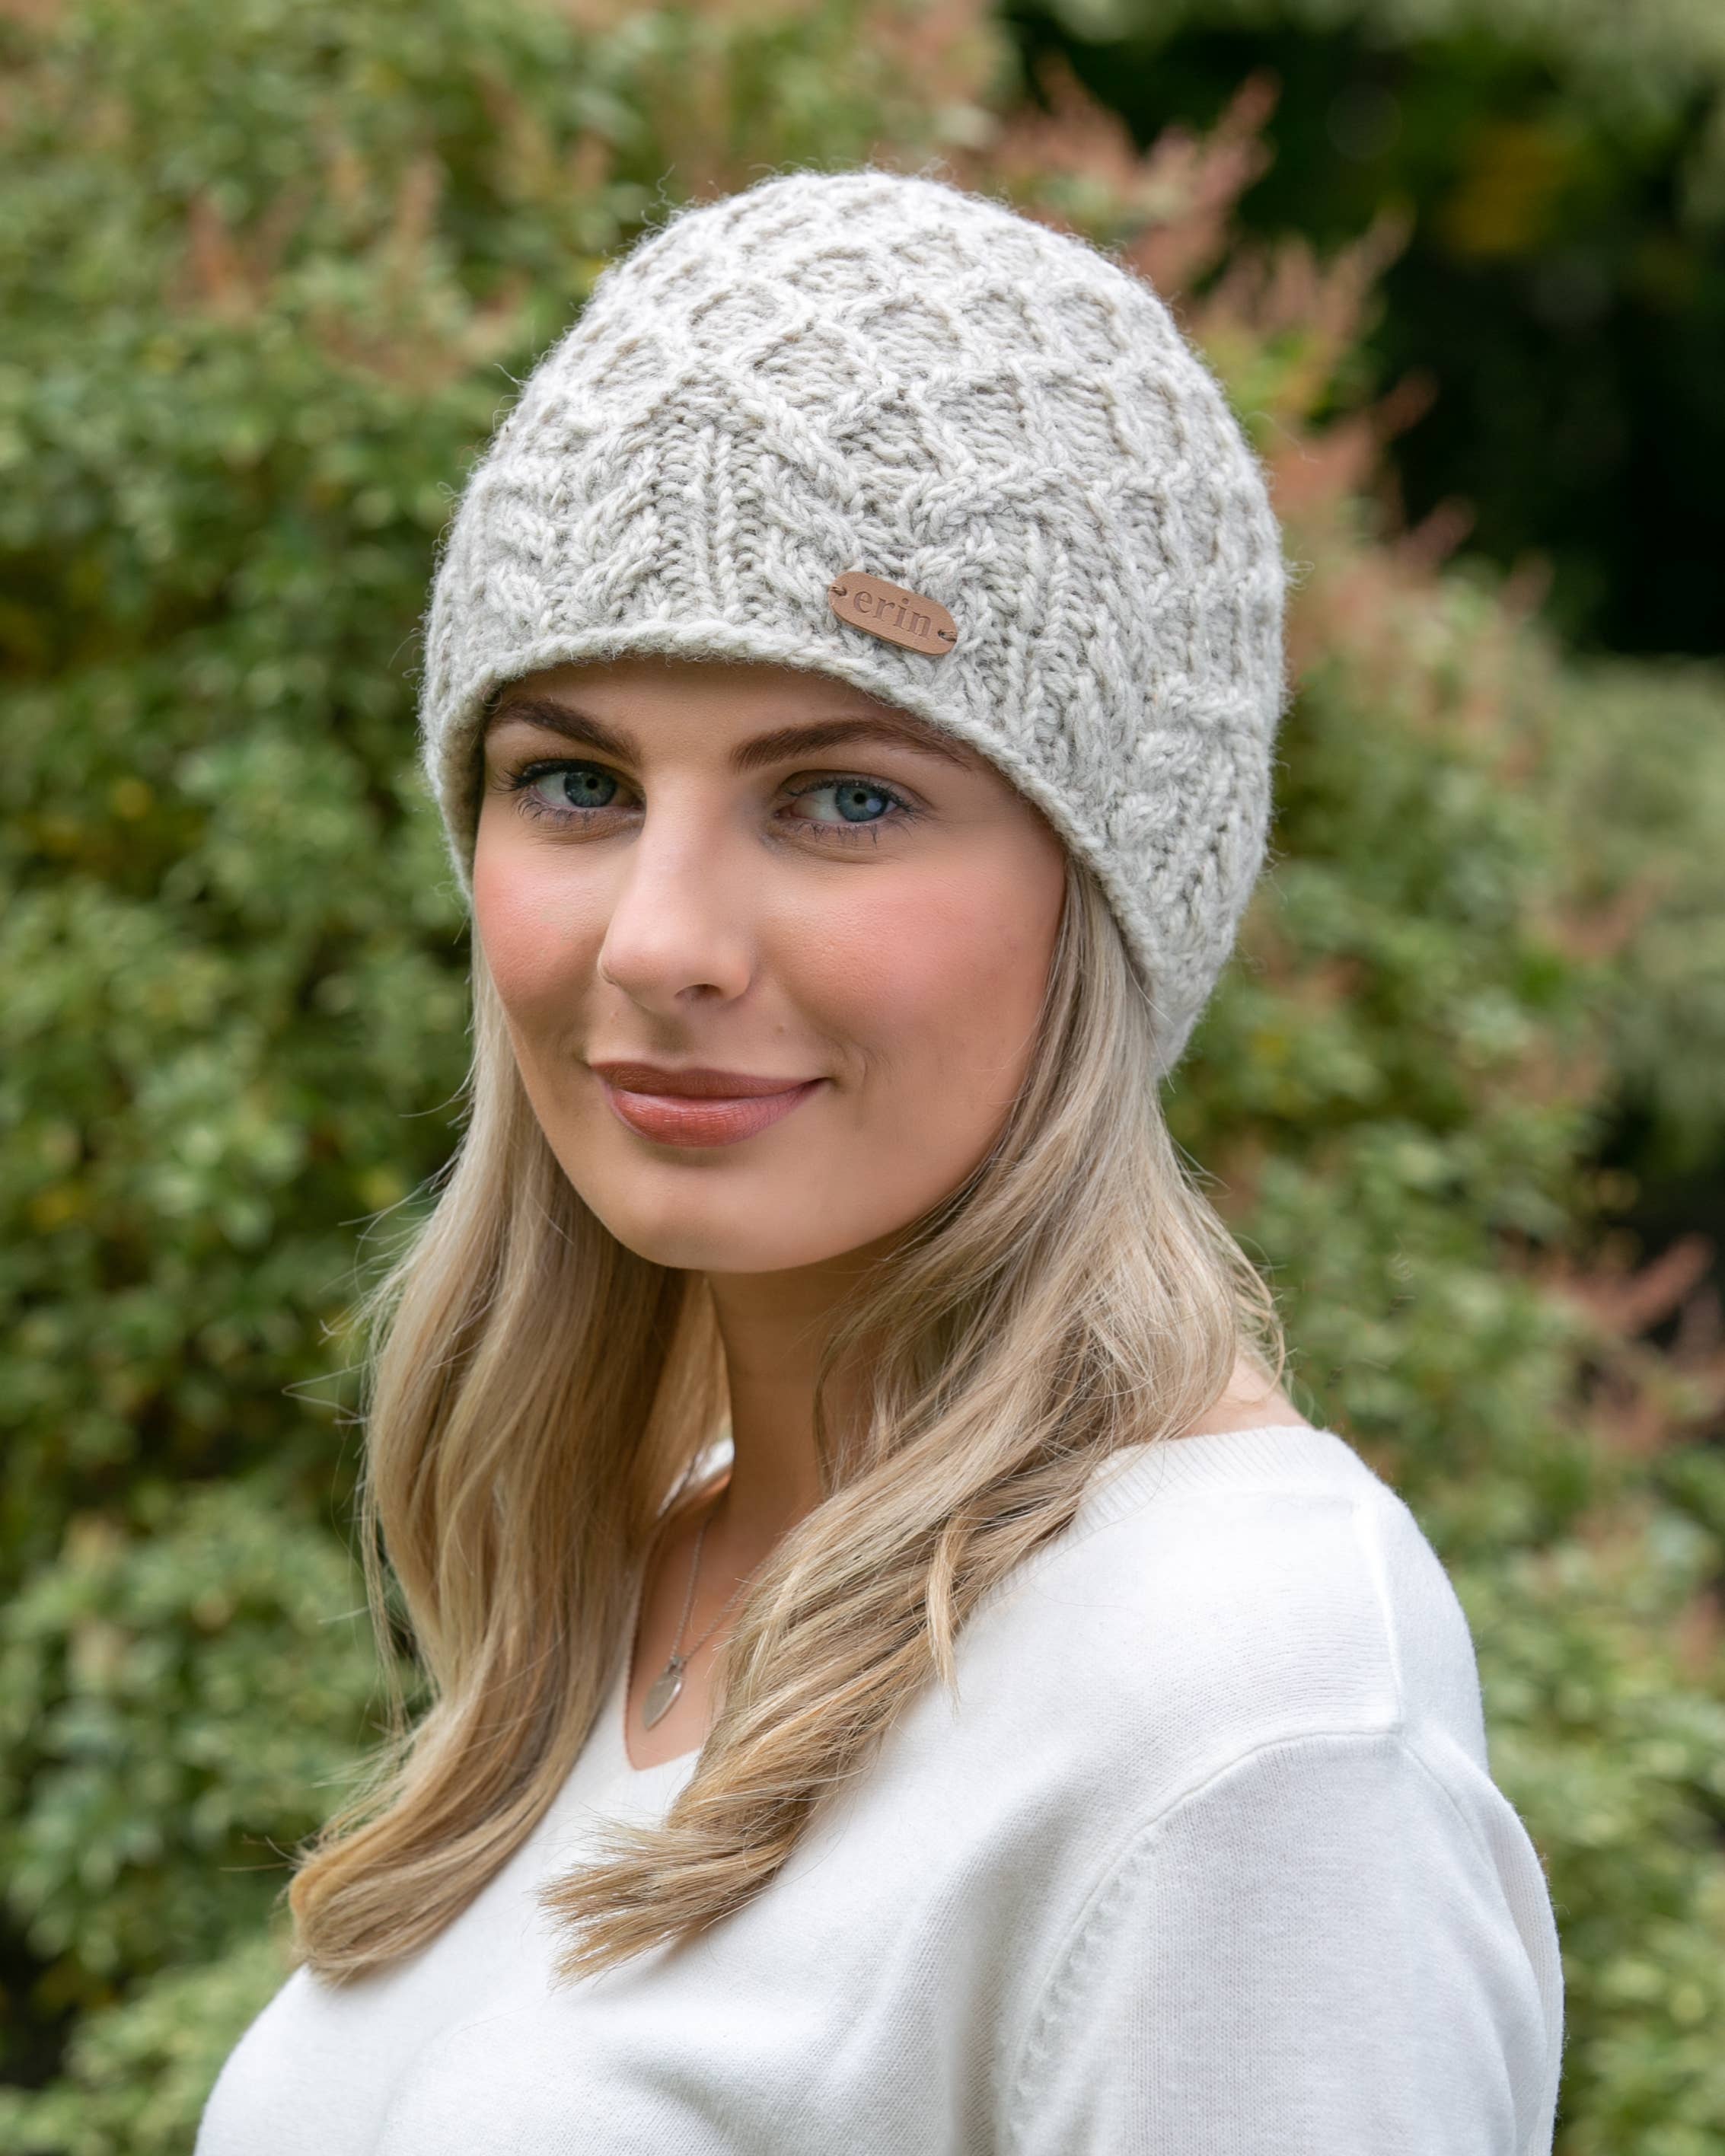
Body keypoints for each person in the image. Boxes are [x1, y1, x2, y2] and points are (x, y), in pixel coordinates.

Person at [196, 167, 1563, 2154]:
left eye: (842, 798)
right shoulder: (642, 1575)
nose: (657, 941)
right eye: (573, 782)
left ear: (1106, 894)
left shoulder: (1244, 1697)